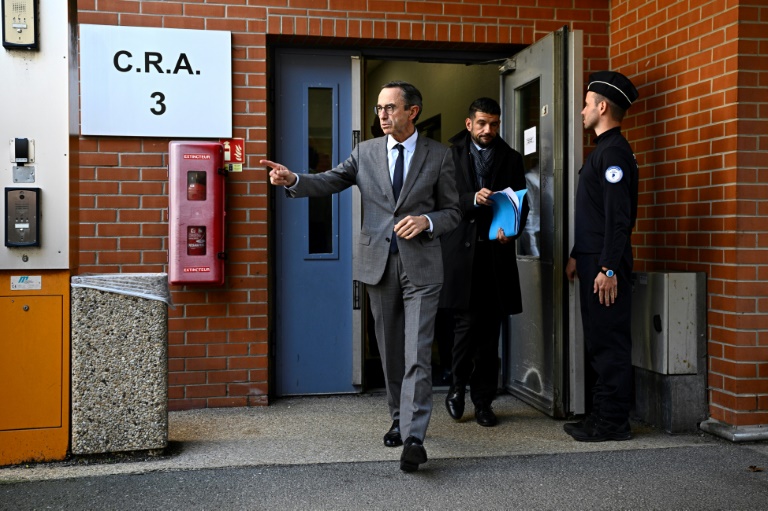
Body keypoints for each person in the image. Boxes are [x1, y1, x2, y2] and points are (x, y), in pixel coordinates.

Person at [263, 81, 460, 471]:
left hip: (421, 266)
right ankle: (398, 418)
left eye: (390, 108)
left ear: (412, 112)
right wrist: (294, 180)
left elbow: (453, 212)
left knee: (418, 351)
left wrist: (426, 220)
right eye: (379, 108)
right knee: (390, 351)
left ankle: (415, 438)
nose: (383, 115)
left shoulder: (439, 155)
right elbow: (331, 180)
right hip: (378, 264)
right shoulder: (365, 152)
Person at [440, 97, 528, 427]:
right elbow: (441, 199)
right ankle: (456, 389)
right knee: (464, 329)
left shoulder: (512, 158)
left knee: (490, 333)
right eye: (482, 123)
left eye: (493, 123)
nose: (488, 130)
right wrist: (470, 199)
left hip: (495, 255)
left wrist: (513, 231)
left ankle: (484, 402)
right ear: (469, 124)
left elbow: (521, 202)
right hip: (461, 256)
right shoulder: (449, 155)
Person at [563, 71, 639, 442]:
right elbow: (595, 213)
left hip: (607, 266)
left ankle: (612, 423)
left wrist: (608, 267)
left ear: (602, 106)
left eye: (586, 103)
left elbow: (618, 219)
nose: (581, 111)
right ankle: (599, 417)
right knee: (597, 340)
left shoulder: (612, 154)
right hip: (594, 261)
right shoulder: (604, 151)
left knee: (609, 343)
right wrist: (580, 254)